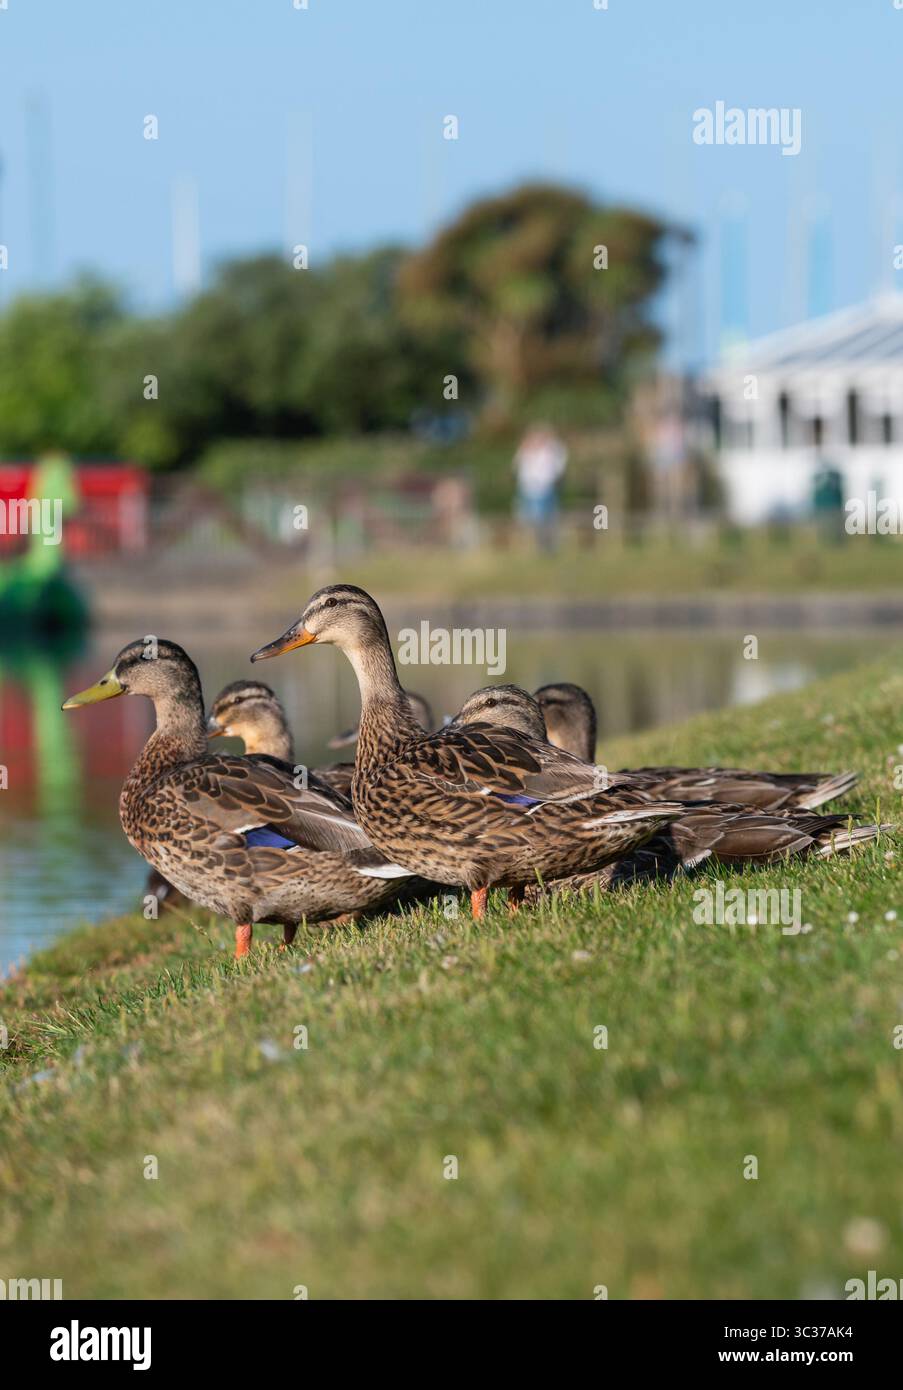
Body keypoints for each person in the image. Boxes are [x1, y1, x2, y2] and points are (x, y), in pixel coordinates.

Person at [513, 423, 568, 550]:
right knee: (533, 520)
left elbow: (560, 458)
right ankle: (537, 546)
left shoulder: (550, 451)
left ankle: (548, 546)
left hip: (545, 490)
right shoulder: (525, 452)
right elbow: (518, 468)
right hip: (528, 491)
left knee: (547, 520)